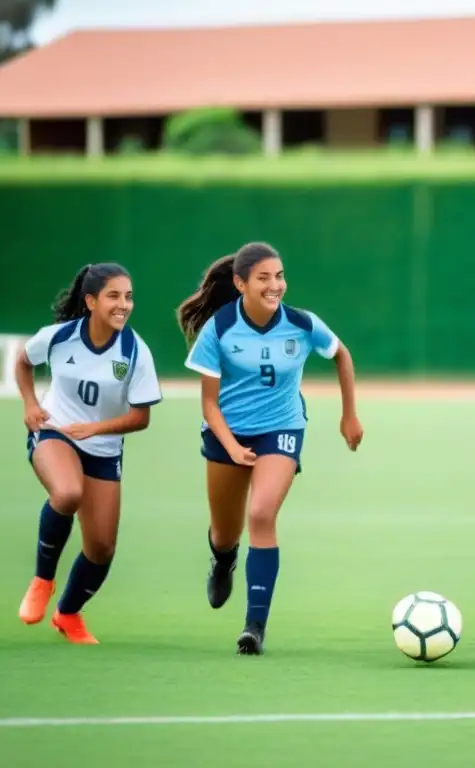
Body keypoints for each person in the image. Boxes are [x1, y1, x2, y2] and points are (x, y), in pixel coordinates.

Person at [177, 241, 363, 655]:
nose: (275, 285)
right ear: (241, 283)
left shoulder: (301, 323)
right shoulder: (220, 328)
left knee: (261, 514)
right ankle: (223, 559)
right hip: (226, 432)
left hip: (281, 430)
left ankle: (254, 626)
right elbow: (209, 403)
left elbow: (342, 355)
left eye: (279, 276)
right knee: (225, 533)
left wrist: (349, 415)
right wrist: (231, 446)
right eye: (264, 277)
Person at [16, 263, 162, 644]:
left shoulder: (135, 352)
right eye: (114, 296)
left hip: (102, 448)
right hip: (55, 433)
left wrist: (96, 428)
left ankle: (67, 614)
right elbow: (22, 361)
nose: (123, 305)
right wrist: (30, 403)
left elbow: (140, 417)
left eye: (128, 297)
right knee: (67, 493)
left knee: (101, 548)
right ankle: (42, 580)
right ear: (91, 300)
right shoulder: (59, 337)